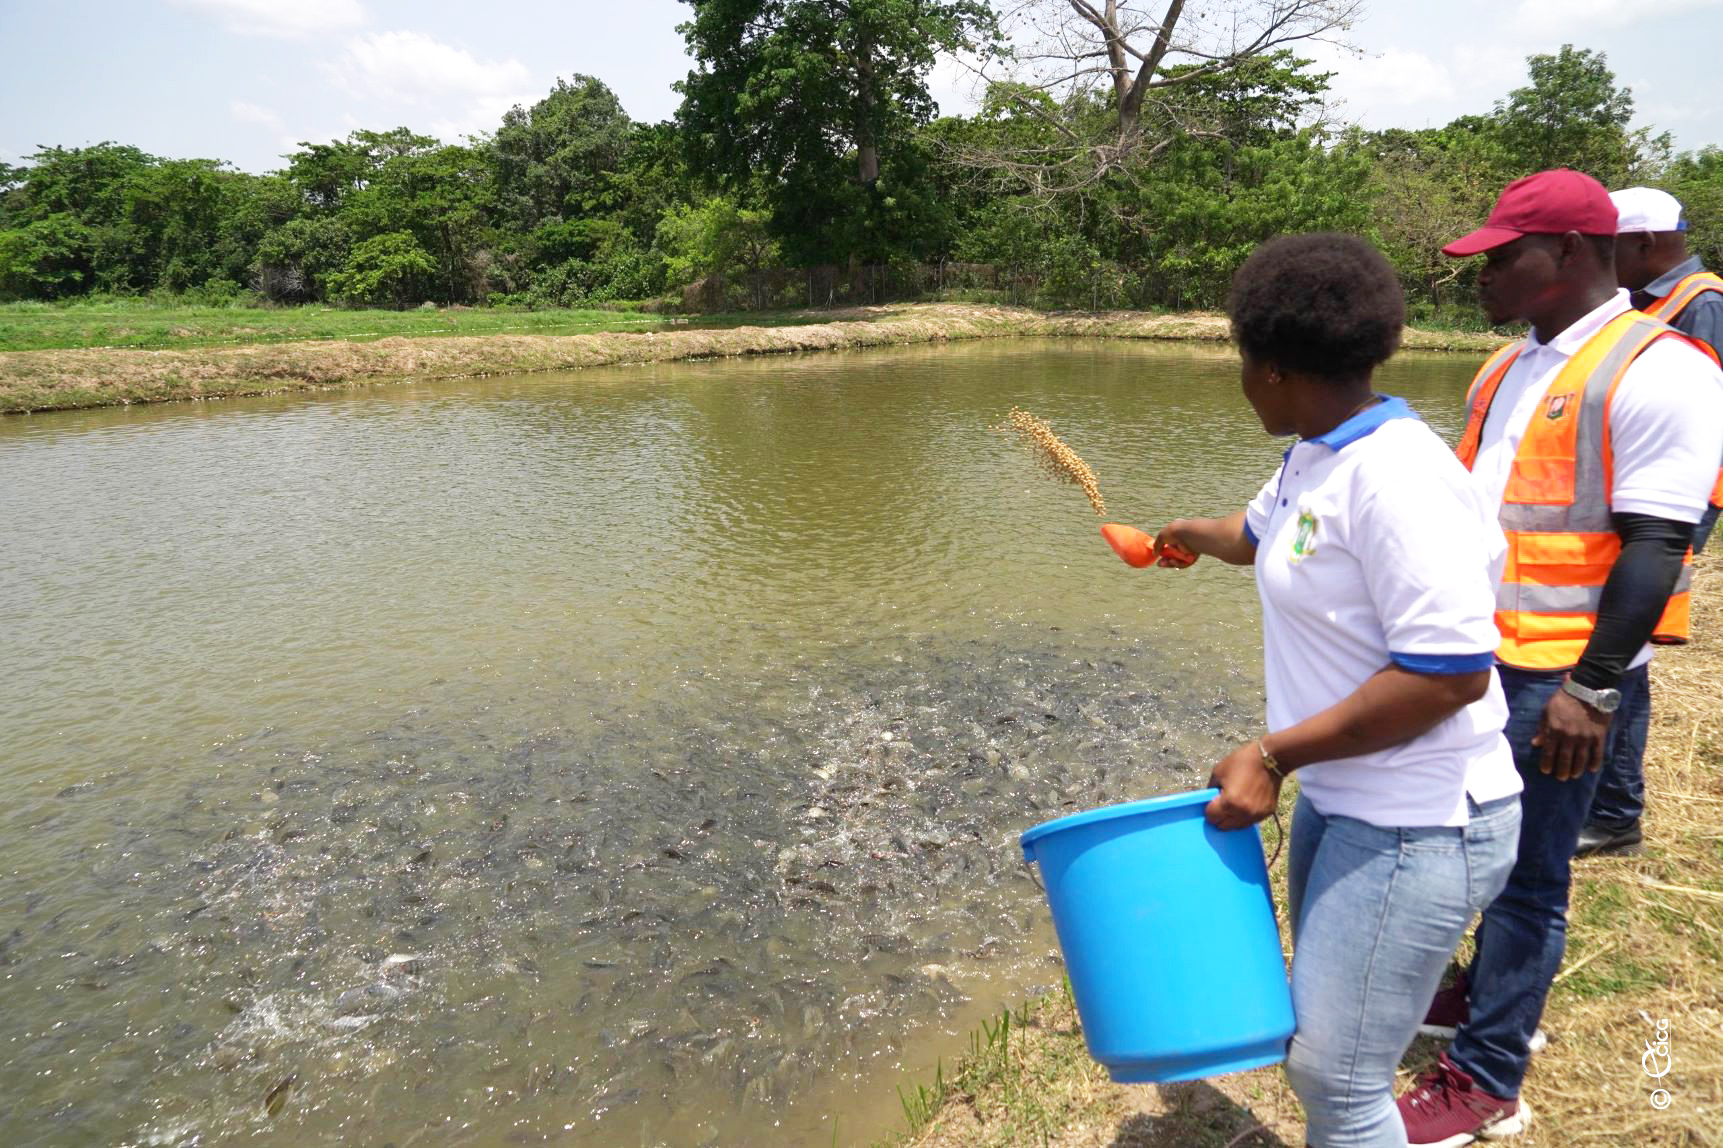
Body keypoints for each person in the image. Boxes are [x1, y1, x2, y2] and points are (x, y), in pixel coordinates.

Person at [1153, 232, 1523, 1148]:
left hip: (1419, 818)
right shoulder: (1316, 451)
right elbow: (1259, 534)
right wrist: (1181, 532)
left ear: (1273, 368)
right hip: (1345, 795)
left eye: (1241, 360)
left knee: (1339, 1077)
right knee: (1322, 1046)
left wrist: (1272, 754)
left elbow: (1448, 674)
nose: (1240, 381)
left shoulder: (1398, 479)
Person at [1396, 169, 1723, 1146]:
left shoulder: (1660, 368)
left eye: (1502, 257)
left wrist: (1594, 686)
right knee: (1478, 850)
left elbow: (1657, 543)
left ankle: (1487, 1078)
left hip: (1560, 676)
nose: (1481, 275)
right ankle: (1482, 990)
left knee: (1532, 876)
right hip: (1481, 660)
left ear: (1571, 252)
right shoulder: (1505, 367)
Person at [1575, 187, 1723, 858]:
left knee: (1625, 649)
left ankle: (1615, 814)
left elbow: (1694, 423)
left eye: (1607, 250)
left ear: (1642, 243)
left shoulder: (1701, 304)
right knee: (1617, 643)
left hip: (1669, 509)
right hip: (1638, 503)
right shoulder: (1649, 301)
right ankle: (1604, 800)